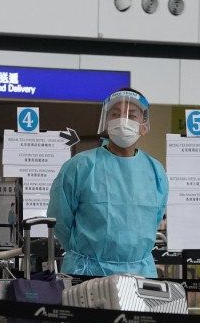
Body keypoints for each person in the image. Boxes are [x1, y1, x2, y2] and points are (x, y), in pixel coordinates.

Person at [47, 88, 167, 277]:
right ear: (106, 122)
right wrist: (85, 252)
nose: (122, 120)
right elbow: (59, 219)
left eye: (131, 115)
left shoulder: (155, 170)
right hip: (86, 271)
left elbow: (154, 219)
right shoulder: (81, 166)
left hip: (140, 272)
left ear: (144, 126)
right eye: (115, 114)